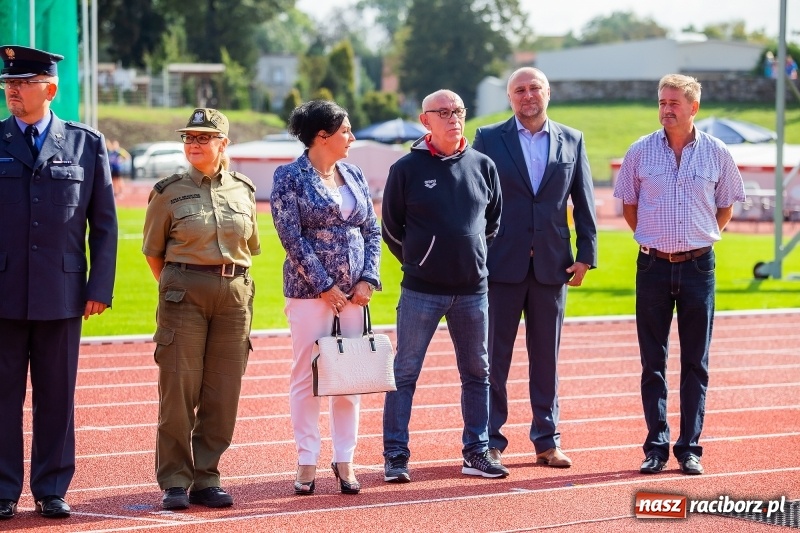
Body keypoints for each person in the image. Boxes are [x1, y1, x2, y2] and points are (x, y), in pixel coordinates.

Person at [0, 45, 118, 520]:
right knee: (3, 396)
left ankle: (51, 488)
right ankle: (3, 490)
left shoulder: (86, 144)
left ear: (49, 89)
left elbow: (104, 224)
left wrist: (98, 288)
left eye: (21, 84)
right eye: (8, 84)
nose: (12, 91)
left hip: (63, 293)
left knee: (56, 395)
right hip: (4, 291)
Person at [613, 74, 745, 476]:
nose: (666, 109)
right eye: (661, 102)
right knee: (652, 361)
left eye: (674, 102)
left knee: (695, 362)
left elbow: (726, 206)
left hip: (698, 267)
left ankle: (689, 448)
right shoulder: (639, 151)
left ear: (693, 108)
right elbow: (629, 205)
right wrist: (654, 240)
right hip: (652, 265)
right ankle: (655, 447)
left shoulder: (717, 153)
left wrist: (700, 239)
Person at [473, 67, 598, 470]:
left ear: (548, 93)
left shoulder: (573, 139)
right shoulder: (488, 139)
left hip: (552, 266)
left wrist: (586, 253)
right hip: (500, 266)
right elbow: (476, 203)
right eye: (519, 90)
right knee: (494, 360)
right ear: (510, 98)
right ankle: (489, 440)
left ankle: (547, 441)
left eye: (534, 88)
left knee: (547, 359)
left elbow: (584, 200)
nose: (528, 96)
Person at [381, 89, 505, 483]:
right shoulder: (406, 169)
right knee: (404, 373)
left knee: (477, 373)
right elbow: (390, 228)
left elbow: (493, 225)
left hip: (473, 291)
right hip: (421, 290)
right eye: (444, 112)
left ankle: (476, 452)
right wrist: (420, 262)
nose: (453, 118)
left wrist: (472, 258)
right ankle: (396, 455)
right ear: (425, 121)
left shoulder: (484, 166)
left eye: (458, 111)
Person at [142, 108, 260, 509]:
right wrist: (183, 284)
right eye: (189, 138)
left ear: (223, 144)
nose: (194, 143)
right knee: (178, 388)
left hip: (234, 296)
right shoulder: (168, 191)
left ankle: (207, 478)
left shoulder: (243, 189)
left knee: (222, 392)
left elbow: (251, 248)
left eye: (203, 138)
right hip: (183, 294)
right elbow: (154, 254)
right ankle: (175, 480)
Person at [271, 100, 381, 496]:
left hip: (356, 297)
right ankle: (306, 460)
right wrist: (323, 285)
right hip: (308, 295)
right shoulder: (289, 177)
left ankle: (345, 459)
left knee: (348, 379)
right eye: (346, 131)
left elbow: (372, 230)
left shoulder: (353, 173)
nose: (352, 137)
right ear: (322, 135)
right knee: (306, 376)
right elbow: (291, 237)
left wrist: (368, 279)